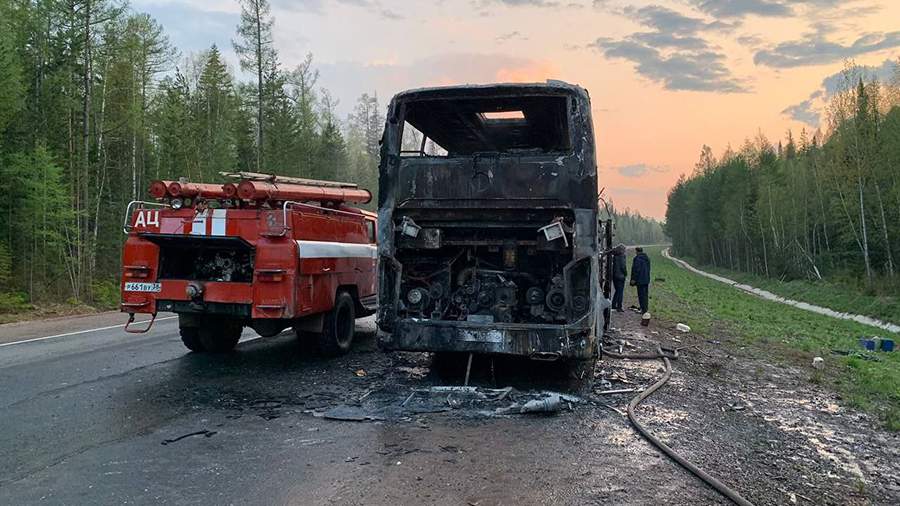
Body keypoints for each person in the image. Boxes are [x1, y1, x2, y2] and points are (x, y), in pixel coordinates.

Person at [630, 247, 651, 314]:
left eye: (635, 251)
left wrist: (633, 279)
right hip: (646, 279)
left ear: (637, 251)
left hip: (640, 280)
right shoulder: (647, 258)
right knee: (645, 295)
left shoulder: (637, 259)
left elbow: (636, 270)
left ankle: (643, 310)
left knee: (641, 295)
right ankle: (645, 308)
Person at [611, 244, 627, 312]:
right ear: (622, 250)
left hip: (615, 276)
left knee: (617, 291)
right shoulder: (622, 256)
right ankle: (619, 307)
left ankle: (613, 305)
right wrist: (625, 273)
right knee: (620, 292)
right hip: (620, 276)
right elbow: (623, 266)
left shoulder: (615, 256)